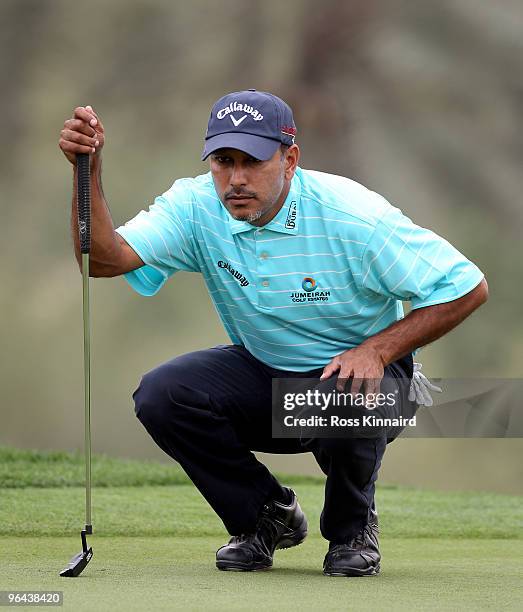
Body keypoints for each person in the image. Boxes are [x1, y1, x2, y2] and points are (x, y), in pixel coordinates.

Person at [59, 89, 488, 577]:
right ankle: (265, 516)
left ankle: (352, 531)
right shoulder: (196, 206)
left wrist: (376, 350)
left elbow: (467, 285)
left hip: (368, 382)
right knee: (164, 393)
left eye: (254, 161)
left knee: (350, 393)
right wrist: (86, 171)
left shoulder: (352, 216)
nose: (236, 179)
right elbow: (105, 260)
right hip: (266, 375)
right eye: (224, 161)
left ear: (290, 159)